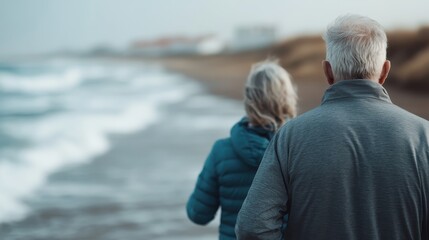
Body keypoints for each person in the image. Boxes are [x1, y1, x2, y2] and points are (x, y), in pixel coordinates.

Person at [236, 14, 429, 240]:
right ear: (385, 71)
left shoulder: (290, 137)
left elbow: (252, 227)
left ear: (327, 71)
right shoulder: (423, 136)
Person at [186, 60, 297, 240]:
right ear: (287, 98)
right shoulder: (297, 152)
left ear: (249, 98)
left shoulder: (221, 151)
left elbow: (198, 214)